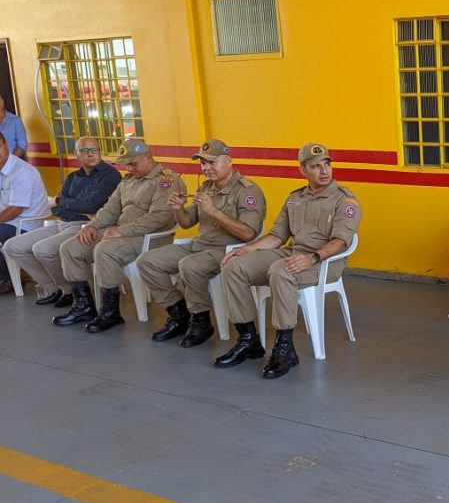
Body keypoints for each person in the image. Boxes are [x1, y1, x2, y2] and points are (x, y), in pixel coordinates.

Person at [215, 143, 361, 379]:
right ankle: (248, 339)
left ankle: (285, 348)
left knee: (281, 270)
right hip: (293, 253)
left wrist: (312, 257)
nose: (324, 171)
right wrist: (247, 250)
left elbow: (341, 242)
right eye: (315, 166)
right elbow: (277, 236)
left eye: (327, 164)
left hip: (325, 263)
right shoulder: (294, 199)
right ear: (303, 170)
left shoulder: (344, 200)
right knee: (234, 267)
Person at [135, 139, 266, 347]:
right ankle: (178, 313)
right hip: (199, 245)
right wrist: (178, 209)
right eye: (203, 163)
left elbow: (249, 234)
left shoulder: (247, 191)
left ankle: (201, 320)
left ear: (229, 161)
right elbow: (187, 223)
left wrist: (213, 211)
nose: (206, 168)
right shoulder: (206, 187)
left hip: (228, 250)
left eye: (212, 162)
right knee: (147, 261)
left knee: (190, 265)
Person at [54, 137, 184, 333]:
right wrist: (92, 225)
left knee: (104, 250)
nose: (130, 169)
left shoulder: (166, 181)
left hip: (150, 237)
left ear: (148, 157)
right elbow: (110, 209)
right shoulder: (128, 181)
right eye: (127, 165)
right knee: (71, 247)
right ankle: (84, 306)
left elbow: (158, 219)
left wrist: (120, 231)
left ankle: (110, 311)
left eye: (133, 164)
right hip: (121, 233)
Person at [3, 136, 121, 306]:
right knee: (13, 247)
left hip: (86, 226)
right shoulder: (73, 177)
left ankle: (70, 291)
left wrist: (64, 203)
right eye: (85, 151)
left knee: (42, 249)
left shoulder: (109, 175)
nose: (91, 154)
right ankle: (54, 288)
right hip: (62, 222)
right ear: (77, 154)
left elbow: (91, 204)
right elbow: (55, 208)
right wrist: (70, 205)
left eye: (94, 150)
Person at [0, 132, 51, 294]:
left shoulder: (21, 171)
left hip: (26, 224)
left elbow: (16, 209)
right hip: (7, 222)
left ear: (5, 145)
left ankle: (6, 279)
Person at [0, 94, 28, 159]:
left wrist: (10, 161)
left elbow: (22, 144)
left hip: (12, 162)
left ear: (2, 102)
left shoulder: (15, 120)